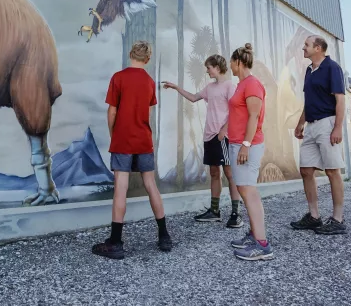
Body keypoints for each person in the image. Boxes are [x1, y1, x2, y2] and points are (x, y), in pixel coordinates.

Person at [92, 41, 173, 259]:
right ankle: (164, 235)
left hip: (123, 140)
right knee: (151, 184)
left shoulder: (118, 78)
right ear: (148, 59)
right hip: (144, 140)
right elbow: (147, 112)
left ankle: (116, 242)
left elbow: (112, 112)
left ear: (131, 54)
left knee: (121, 186)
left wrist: (114, 134)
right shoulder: (149, 82)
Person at [161, 54, 243, 228]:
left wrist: (224, 130)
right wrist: (176, 87)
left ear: (217, 67)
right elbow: (193, 97)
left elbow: (235, 110)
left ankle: (236, 213)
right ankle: (215, 211)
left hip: (223, 136)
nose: (207, 71)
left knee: (229, 173)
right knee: (214, 172)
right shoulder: (210, 87)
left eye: (209, 68)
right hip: (209, 136)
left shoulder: (229, 86)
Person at [290, 35, 347, 235]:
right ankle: (314, 217)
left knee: (332, 171)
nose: (303, 48)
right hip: (311, 126)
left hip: (327, 124)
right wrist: (300, 123)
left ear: (318, 48)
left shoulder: (332, 68)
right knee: (306, 170)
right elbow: (309, 101)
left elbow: (340, 100)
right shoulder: (309, 71)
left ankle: (338, 219)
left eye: (306, 45)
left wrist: (337, 128)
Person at [225, 43, 273, 261]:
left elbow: (254, 116)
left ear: (238, 62)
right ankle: (255, 234)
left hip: (248, 145)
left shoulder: (252, 84)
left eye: (231, 62)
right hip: (238, 144)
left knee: (248, 191)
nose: (230, 66)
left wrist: (245, 144)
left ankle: (262, 245)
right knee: (245, 190)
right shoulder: (242, 84)